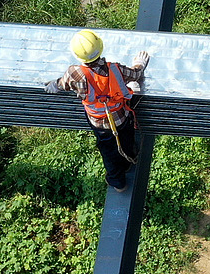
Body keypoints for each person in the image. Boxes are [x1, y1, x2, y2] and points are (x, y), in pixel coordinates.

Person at [44, 30, 151, 191]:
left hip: (99, 123)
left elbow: (62, 84)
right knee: (126, 139)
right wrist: (139, 64)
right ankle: (128, 162)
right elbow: (135, 74)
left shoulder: (75, 73)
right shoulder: (115, 69)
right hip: (121, 118)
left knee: (108, 152)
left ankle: (118, 182)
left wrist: (54, 85)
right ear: (100, 48)